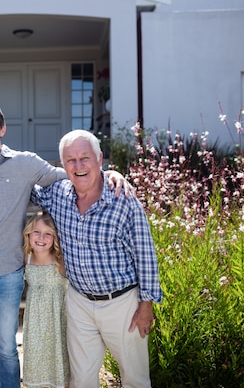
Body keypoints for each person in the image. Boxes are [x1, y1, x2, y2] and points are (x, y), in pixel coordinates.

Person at [0, 100, 130, 388]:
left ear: (2, 129)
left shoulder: (25, 163)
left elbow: (71, 177)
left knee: (6, 348)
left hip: (7, 273)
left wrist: (107, 174)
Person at [31, 130, 162, 388]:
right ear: (62, 164)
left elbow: (146, 254)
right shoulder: (57, 194)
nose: (78, 166)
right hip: (79, 303)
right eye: (70, 160)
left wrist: (146, 305)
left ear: (99, 159)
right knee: (80, 380)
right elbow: (23, 187)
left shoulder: (124, 200)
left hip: (123, 305)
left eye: (85, 158)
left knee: (135, 379)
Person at [21, 211, 69, 388]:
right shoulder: (25, 257)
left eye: (48, 233)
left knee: (60, 360)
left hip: (58, 320)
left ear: (55, 237)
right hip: (35, 323)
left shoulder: (60, 260)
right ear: (28, 233)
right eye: (37, 232)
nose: (41, 238)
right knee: (37, 360)